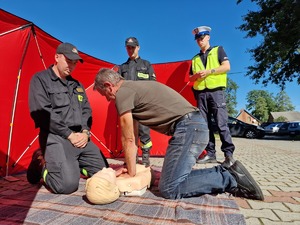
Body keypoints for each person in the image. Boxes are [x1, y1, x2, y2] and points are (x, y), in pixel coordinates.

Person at [93, 68, 264, 201]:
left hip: (189, 128)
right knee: (173, 179)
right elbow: (134, 136)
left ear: (109, 86)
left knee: (170, 189)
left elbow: (128, 139)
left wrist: (129, 175)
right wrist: (130, 169)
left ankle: (229, 178)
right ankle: (226, 172)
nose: (109, 100)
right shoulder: (134, 89)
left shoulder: (123, 92)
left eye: (105, 95)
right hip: (193, 126)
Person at [27, 42, 109, 194]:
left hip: (80, 136)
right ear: (57, 57)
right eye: (68, 61)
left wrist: (85, 132)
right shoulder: (40, 80)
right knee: (66, 185)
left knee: (105, 174)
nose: (71, 66)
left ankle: (71, 165)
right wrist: (69, 135)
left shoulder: (77, 85)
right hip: (56, 136)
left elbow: (86, 110)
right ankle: (41, 165)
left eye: (74, 63)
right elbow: (42, 113)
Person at [189, 26, 235, 166]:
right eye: (197, 39)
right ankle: (210, 154)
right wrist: (195, 76)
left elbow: (227, 67)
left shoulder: (218, 50)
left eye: (202, 38)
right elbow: (190, 78)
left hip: (216, 92)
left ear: (208, 37)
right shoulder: (195, 59)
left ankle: (228, 155)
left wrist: (210, 71)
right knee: (205, 125)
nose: (199, 41)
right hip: (201, 93)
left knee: (221, 124)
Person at [118, 37, 156, 167]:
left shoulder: (146, 65)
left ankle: (145, 156)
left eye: (133, 47)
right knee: (129, 132)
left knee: (144, 130)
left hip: (143, 104)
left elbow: (153, 85)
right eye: (128, 47)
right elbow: (118, 87)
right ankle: (132, 157)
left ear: (138, 47)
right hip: (127, 104)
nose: (130, 50)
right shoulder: (122, 67)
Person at [85, 164, 151, 204]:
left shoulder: (111, 181)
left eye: (101, 171)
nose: (104, 168)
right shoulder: (121, 184)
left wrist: (114, 174)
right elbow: (148, 170)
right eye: (106, 173)